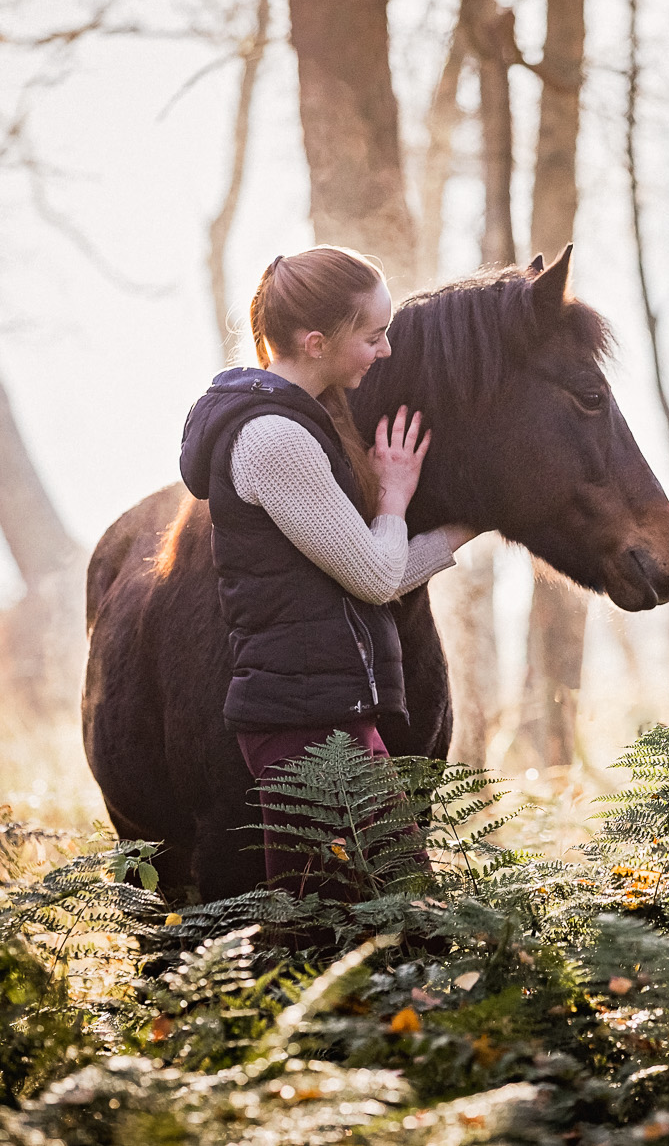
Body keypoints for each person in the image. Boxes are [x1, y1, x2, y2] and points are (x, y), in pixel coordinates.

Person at [177, 246, 476, 894]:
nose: (385, 350)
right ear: (316, 343)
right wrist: (394, 497)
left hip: (326, 718)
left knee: (357, 915)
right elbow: (377, 578)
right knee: (366, 914)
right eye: (373, 336)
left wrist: (473, 521)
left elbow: (373, 572)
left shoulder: (297, 426)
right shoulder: (274, 440)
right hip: (305, 729)